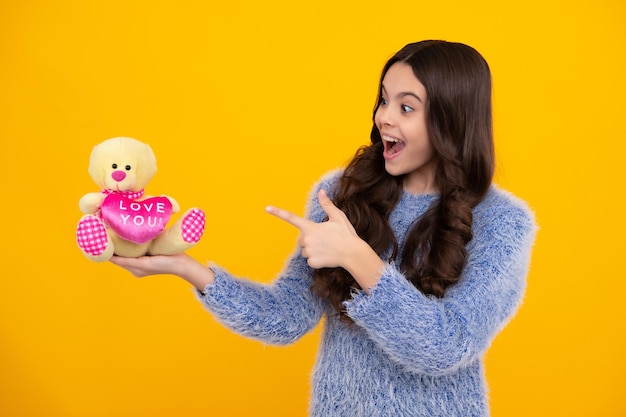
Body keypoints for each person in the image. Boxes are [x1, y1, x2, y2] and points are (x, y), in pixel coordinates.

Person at [111, 40, 537, 416]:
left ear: (452, 120)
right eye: (383, 100)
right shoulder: (340, 194)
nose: (385, 117)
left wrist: (357, 257)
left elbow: (449, 346)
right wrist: (187, 269)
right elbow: (286, 317)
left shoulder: (503, 223)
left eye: (406, 107)